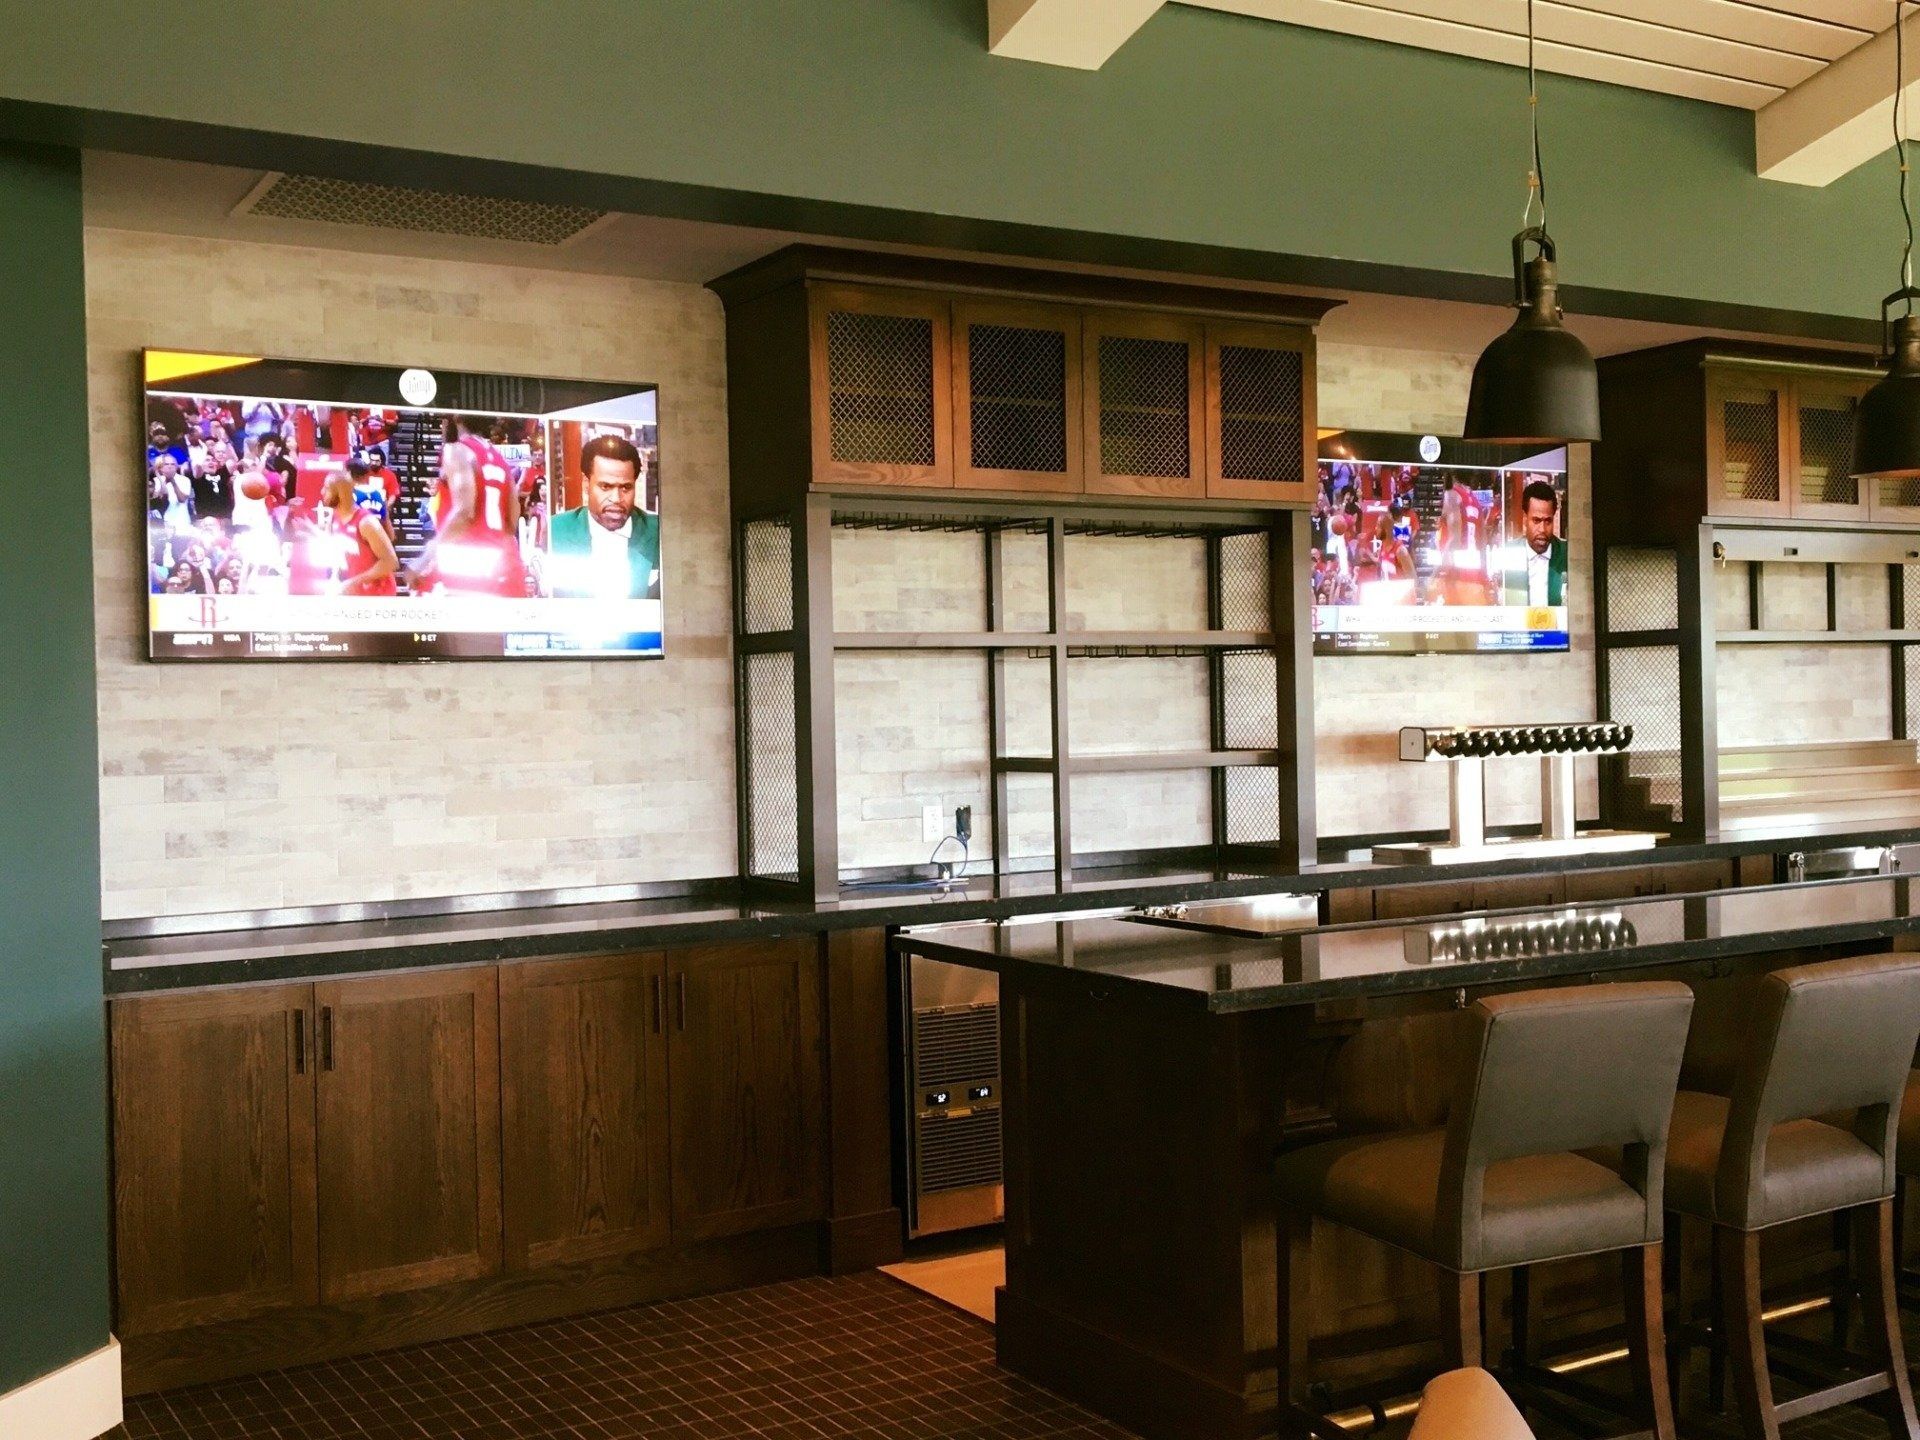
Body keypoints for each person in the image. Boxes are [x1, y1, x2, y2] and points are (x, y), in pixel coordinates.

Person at [412, 416, 524, 595]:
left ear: (455, 417)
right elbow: (511, 521)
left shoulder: (455, 450)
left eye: (443, 419)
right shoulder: (500, 460)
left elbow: (464, 513)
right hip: (502, 569)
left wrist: (424, 559)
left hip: (464, 571)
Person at [547, 433, 660, 600]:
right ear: (586, 484)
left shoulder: (658, 531)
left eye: (626, 487)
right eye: (605, 486)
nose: (616, 498)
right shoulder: (556, 530)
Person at [318, 473, 399, 596]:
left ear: (340, 492)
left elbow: (391, 562)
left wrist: (354, 582)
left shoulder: (366, 522)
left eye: (327, 488)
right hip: (357, 593)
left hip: (378, 595)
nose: (322, 491)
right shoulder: (335, 517)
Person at [1502, 478, 1569, 607]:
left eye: (1548, 521)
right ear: (1525, 519)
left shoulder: (1566, 553)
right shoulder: (1509, 554)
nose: (1542, 529)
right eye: (1536, 521)